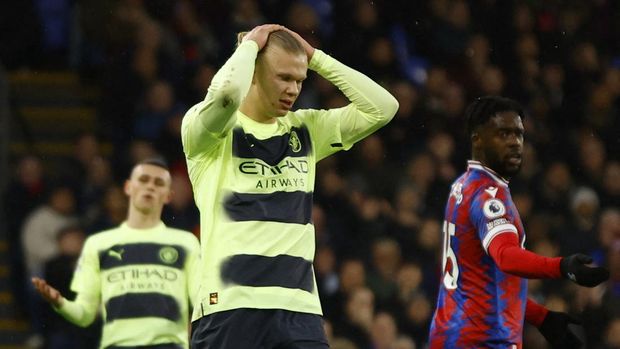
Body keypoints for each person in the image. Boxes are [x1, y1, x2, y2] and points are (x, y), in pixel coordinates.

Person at [181, 24, 398, 348]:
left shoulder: (306, 129)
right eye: (284, 77)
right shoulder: (209, 131)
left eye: (299, 80)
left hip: (299, 311)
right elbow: (226, 95)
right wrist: (249, 47)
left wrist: (316, 58)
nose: (293, 89)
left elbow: (383, 108)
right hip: (229, 307)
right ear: (252, 71)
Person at [428, 96, 610, 348]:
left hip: (455, 334)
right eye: (503, 134)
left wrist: (540, 316)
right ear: (477, 138)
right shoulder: (488, 195)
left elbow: (481, 280)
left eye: (519, 134)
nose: (515, 143)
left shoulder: (462, 186)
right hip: (483, 340)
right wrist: (563, 266)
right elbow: (506, 255)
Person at [32, 158, 201, 349]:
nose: (150, 187)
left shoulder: (186, 243)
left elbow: (200, 304)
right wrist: (61, 303)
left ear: (168, 196)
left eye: (159, 183)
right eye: (144, 180)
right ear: (128, 187)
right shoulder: (98, 244)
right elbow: (85, 314)